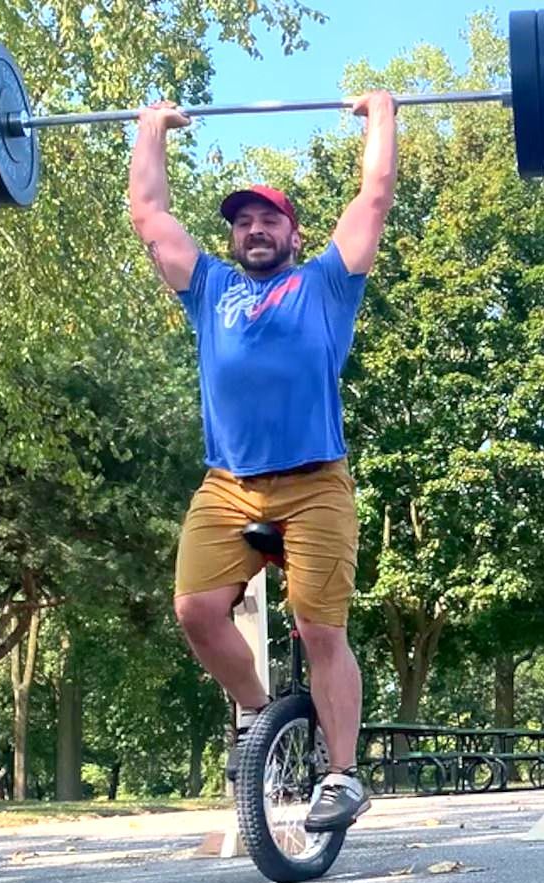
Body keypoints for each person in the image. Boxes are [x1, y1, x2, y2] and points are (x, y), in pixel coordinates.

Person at [128, 92, 397, 832]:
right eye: (242, 221)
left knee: (319, 630)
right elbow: (150, 217)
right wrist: (150, 131)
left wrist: (382, 115)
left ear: (292, 231)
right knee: (194, 611)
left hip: (315, 483)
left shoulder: (325, 284)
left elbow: (373, 198)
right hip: (228, 486)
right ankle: (259, 716)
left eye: (268, 219)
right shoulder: (208, 289)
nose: (253, 229)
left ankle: (341, 775)